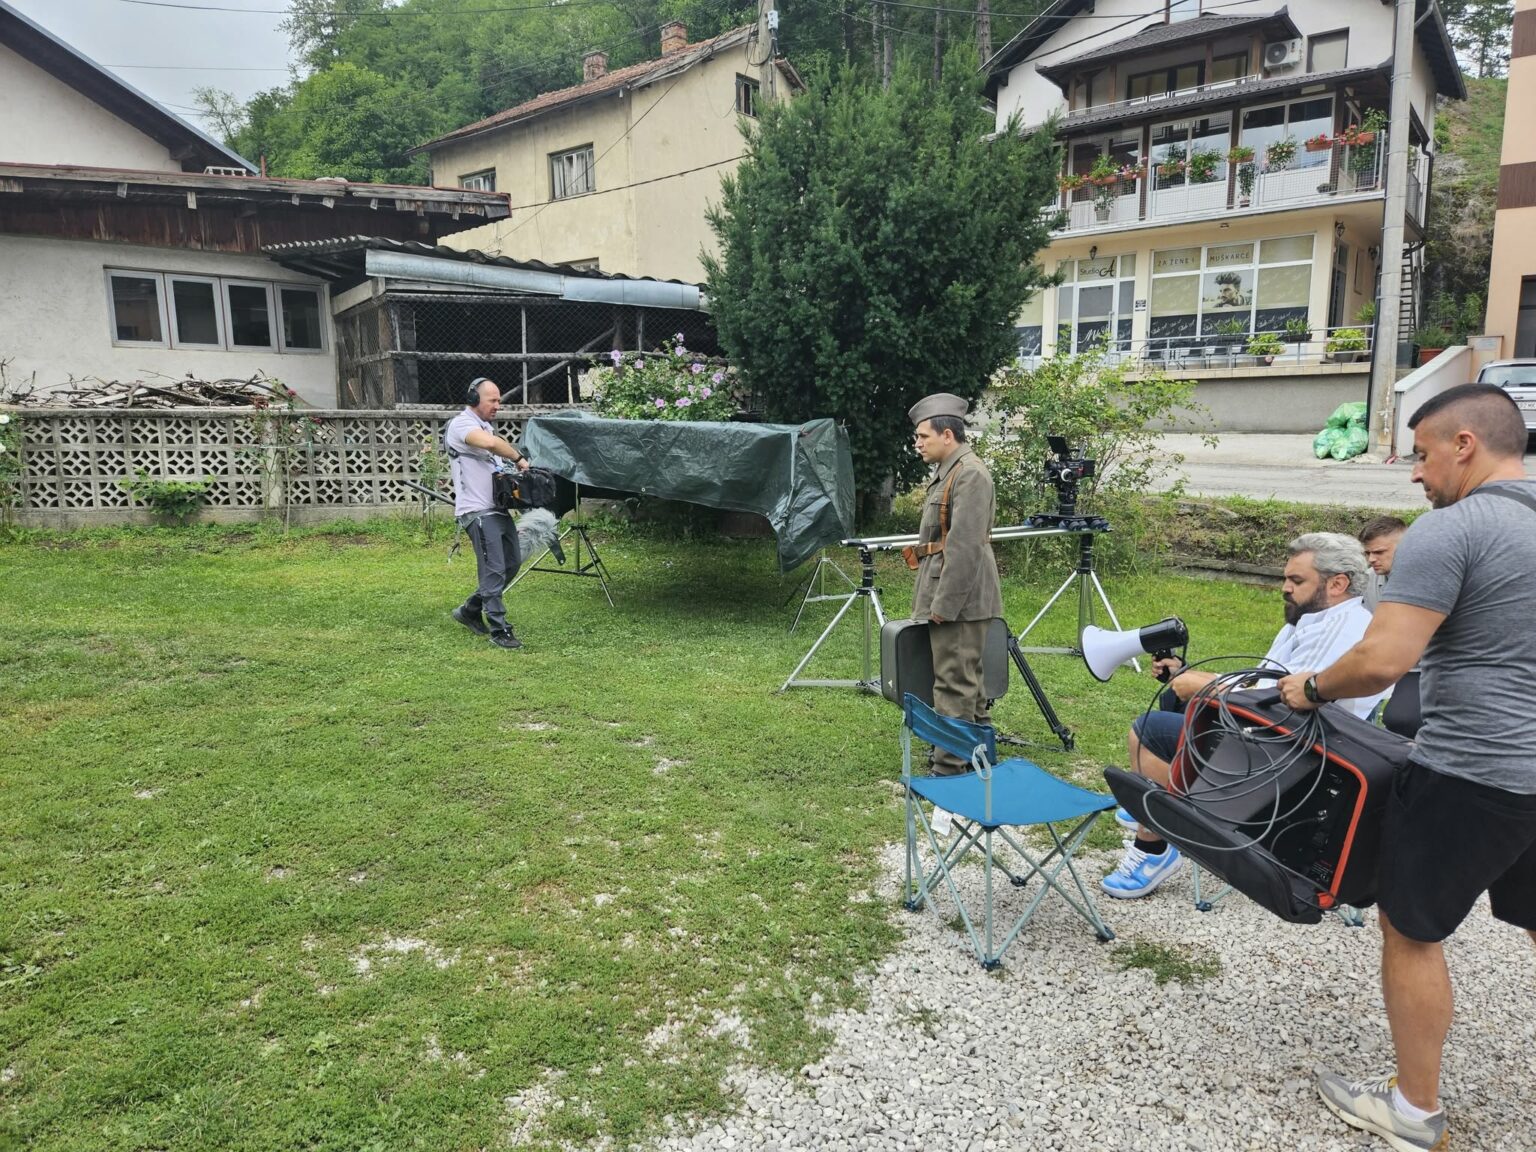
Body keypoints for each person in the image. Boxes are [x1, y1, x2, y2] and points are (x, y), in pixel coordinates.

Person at [1278, 384, 1536, 1152]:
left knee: (1412, 928)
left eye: (1422, 454)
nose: (1416, 475)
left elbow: (1385, 658)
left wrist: (1310, 687)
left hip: (1474, 771)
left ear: (1465, 444)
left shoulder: (1449, 530)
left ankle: (1414, 1111)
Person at [1102, 532, 1386, 899]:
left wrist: (1206, 687)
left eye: (1296, 581)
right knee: (1176, 702)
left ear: (1337, 583)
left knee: (1147, 732)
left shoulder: (1347, 630)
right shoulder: (1313, 619)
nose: (1285, 588)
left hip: (1295, 757)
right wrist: (1190, 675)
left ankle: (1159, 841)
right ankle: (1161, 803)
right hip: (1277, 738)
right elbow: (1264, 681)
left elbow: (1284, 702)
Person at [907, 392, 1002, 775]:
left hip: (960, 599)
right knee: (967, 681)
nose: (917, 443)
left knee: (954, 683)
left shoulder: (970, 475)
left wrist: (943, 607)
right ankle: (976, 754)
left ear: (948, 435)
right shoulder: (954, 471)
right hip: (954, 593)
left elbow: (963, 548)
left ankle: (949, 768)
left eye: (923, 436)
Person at [444, 377, 532, 650]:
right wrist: (518, 458)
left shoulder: (484, 426)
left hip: (497, 509)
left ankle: (470, 609)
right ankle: (499, 629)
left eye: (499, 400)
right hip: (477, 511)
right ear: (473, 399)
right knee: (494, 568)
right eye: (492, 400)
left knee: (512, 563)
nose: (498, 405)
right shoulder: (461, 425)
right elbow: (491, 444)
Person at [1358, 514, 1407, 611]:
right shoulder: (1364, 581)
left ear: (1404, 547)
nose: (1371, 559)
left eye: (1379, 552)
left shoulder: (1429, 580)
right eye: (1367, 553)